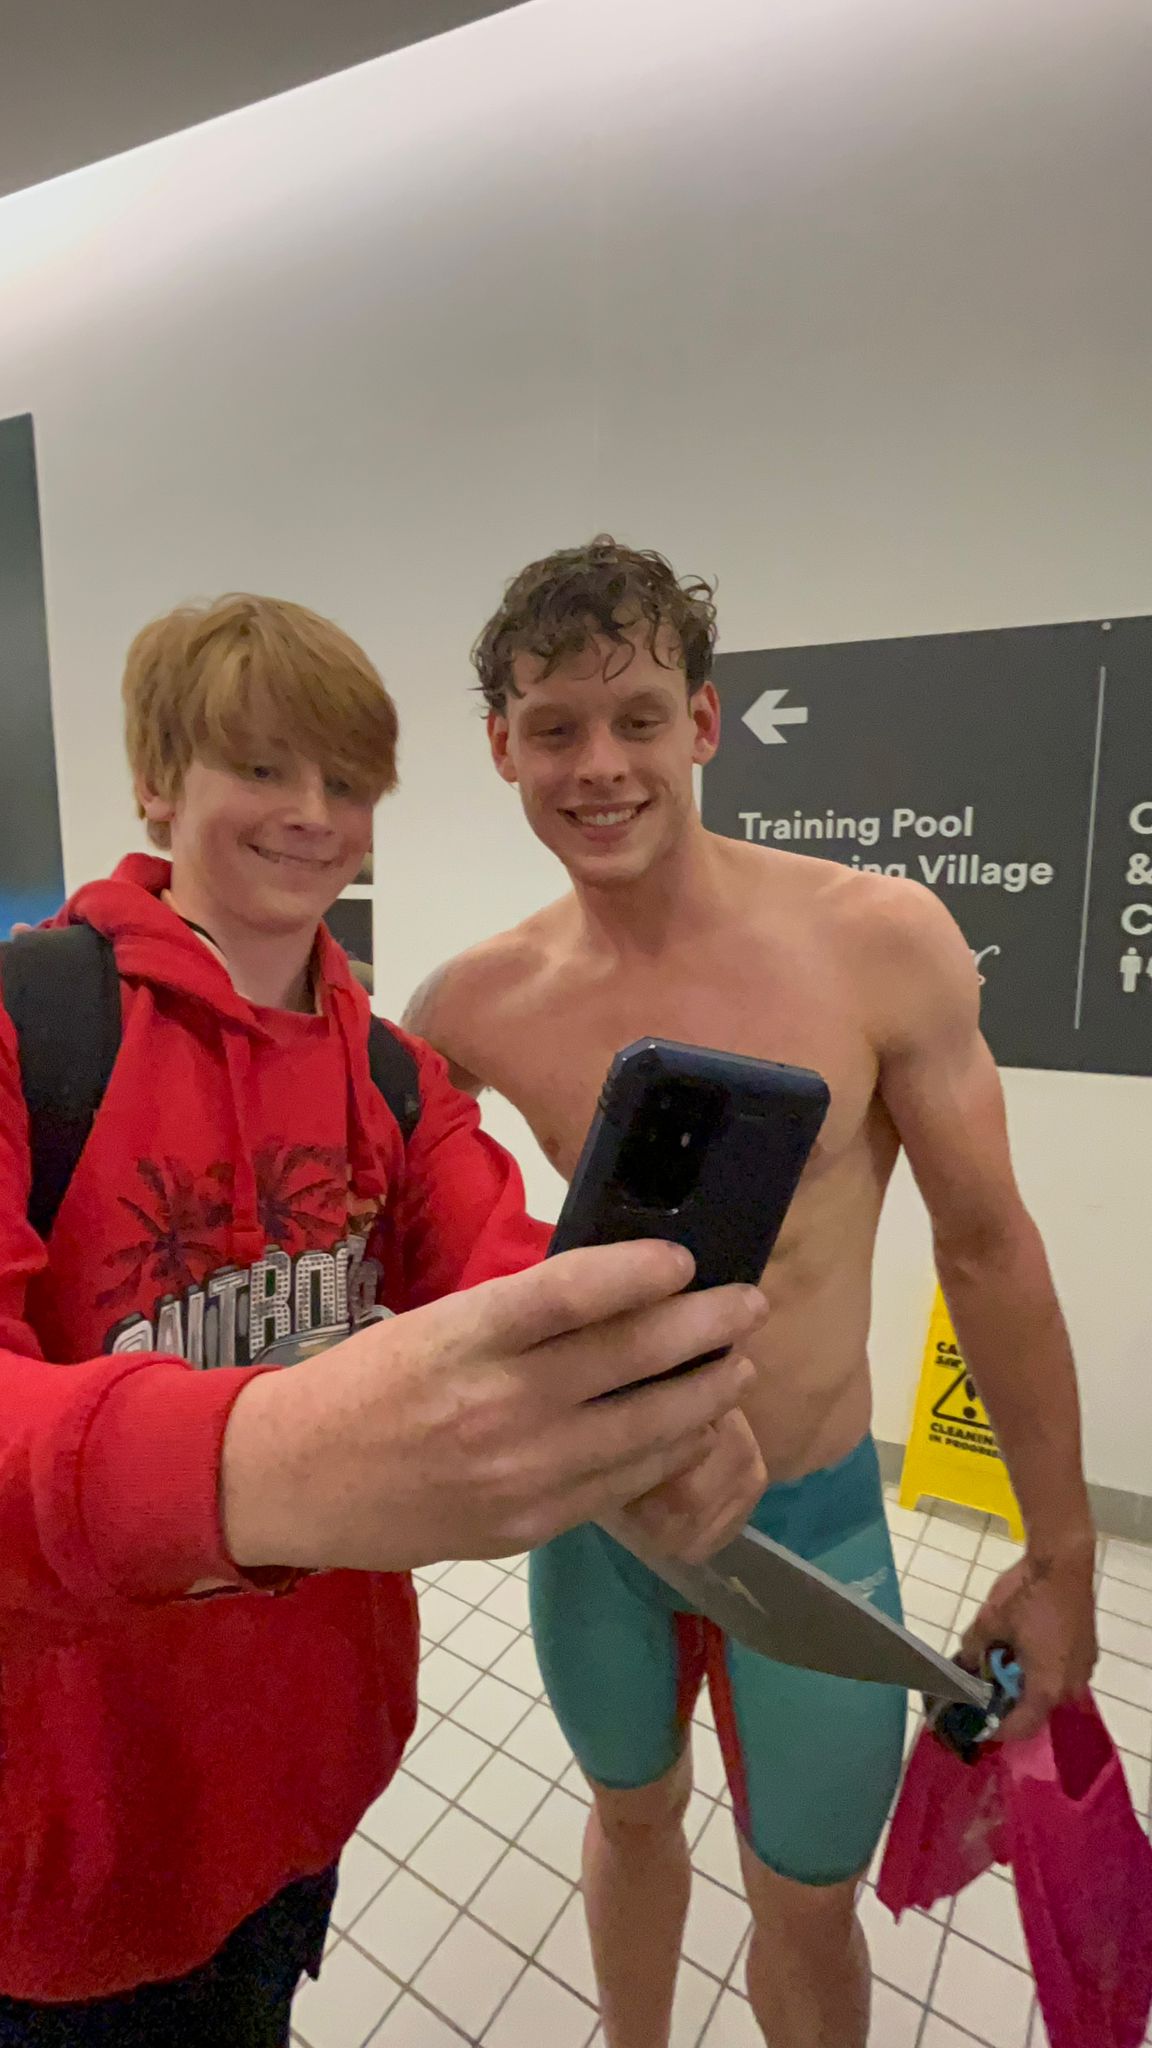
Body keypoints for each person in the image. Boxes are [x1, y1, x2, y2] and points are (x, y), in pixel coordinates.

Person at [0, 592, 769, 2044]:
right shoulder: (30, 1025)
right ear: (159, 782)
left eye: (346, 781)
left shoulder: (397, 1078)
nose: (313, 814)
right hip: (59, 1844)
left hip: (299, 1793)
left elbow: (501, 1262)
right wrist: (255, 1460)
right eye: (261, 767)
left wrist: (649, 1394)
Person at [405, 537, 1099, 2048]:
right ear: (503, 748)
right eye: (555, 729)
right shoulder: (474, 1006)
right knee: (628, 1817)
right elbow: (403, 1256)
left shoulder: (876, 943)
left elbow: (990, 1254)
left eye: (639, 718)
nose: (601, 765)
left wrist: (1062, 1556)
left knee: (806, 1903)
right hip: (604, 1530)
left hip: (812, 1526)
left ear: (706, 723)